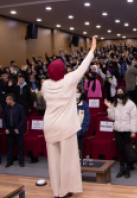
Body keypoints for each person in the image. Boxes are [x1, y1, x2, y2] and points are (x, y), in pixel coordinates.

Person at [41, 36, 96, 198]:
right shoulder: (69, 81)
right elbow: (82, 67)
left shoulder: (45, 85)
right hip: (65, 127)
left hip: (50, 126)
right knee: (68, 160)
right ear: (63, 70)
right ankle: (66, 190)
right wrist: (92, 50)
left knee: (54, 161)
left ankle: (57, 190)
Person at [105, 87, 137, 179]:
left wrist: (133, 131)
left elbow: (134, 118)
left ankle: (127, 168)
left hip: (127, 130)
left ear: (124, 92)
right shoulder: (114, 104)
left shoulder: (131, 104)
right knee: (120, 150)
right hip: (117, 130)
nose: (119, 93)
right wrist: (110, 108)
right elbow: (112, 118)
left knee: (127, 150)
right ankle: (122, 168)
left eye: (121, 91)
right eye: (118, 91)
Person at [2, 93, 26, 168]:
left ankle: (21, 162)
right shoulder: (6, 107)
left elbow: (23, 119)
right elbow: (3, 119)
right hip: (9, 130)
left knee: (20, 146)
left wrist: (18, 128)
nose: (6, 101)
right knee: (9, 146)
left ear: (11, 100)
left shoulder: (20, 107)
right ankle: (9, 162)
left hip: (18, 130)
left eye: (7, 100)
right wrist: (5, 128)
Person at [76, 87, 90, 158]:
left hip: (80, 131)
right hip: (69, 132)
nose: (76, 94)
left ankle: (79, 165)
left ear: (81, 93)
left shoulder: (84, 104)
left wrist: (82, 129)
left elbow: (86, 119)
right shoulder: (68, 104)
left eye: (78, 92)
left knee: (79, 149)